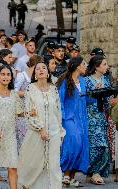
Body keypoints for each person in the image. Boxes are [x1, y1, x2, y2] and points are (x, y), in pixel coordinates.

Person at [17, 62, 65, 189]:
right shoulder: (30, 88)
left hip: (54, 132)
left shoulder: (54, 89)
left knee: (54, 164)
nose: (41, 70)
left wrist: (60, 131)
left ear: (48, 73)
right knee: (35, 163)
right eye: (38, 69)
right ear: (35, 74)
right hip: (36, 132)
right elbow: (29, 112)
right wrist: (41, 128)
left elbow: (58, 111)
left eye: (44, 68)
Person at [57, 57, 89, 187]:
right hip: (68, 118)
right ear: (77, 66)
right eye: (84, 64)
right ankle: (65, 174)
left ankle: (71, 177)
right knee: (72, 144)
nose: (86, 66)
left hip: (82, 118)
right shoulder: (65, 81)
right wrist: (62, 118)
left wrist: (97, 95)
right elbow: (59, 101)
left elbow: (87, 99)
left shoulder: (82, 81)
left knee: (81, 145)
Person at [85, 55, 111, 185]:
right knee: (96, 145)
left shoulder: (107, 80)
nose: (107, 67)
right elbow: (83, 99)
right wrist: (95, 91)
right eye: (104, 64)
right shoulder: (87, 81)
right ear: (97, 66)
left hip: (102, 117)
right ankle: (93, 171)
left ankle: (96, 172)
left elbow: (109, 100)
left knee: (104, 147)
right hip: (90, 116)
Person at [14, 55, 43, 151]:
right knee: (23, 139)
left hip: (35, 111)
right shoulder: (22, 75)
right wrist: (28, 93)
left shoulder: (37, 77)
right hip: (23, 112)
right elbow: (14, 92)